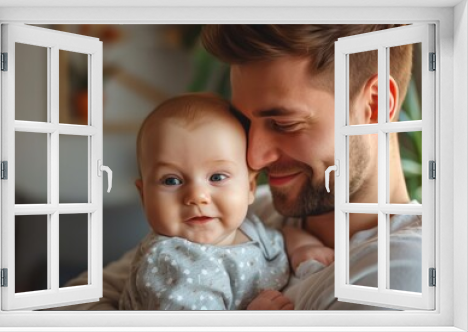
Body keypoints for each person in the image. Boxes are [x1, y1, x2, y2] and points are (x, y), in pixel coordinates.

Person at [200, 25, 421, 310]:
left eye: (284, 124)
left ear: (375, 106)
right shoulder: (246, 211)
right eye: (244, 124)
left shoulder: (402, 272)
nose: (253, 158)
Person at [118, 93, 332, 310]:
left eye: (217, 177)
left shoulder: (246, 226)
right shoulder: (172, 263)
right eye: (172, 180)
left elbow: (277, 237)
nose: (197, 196)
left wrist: (303, 247)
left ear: (250, 187)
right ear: (144, 196)